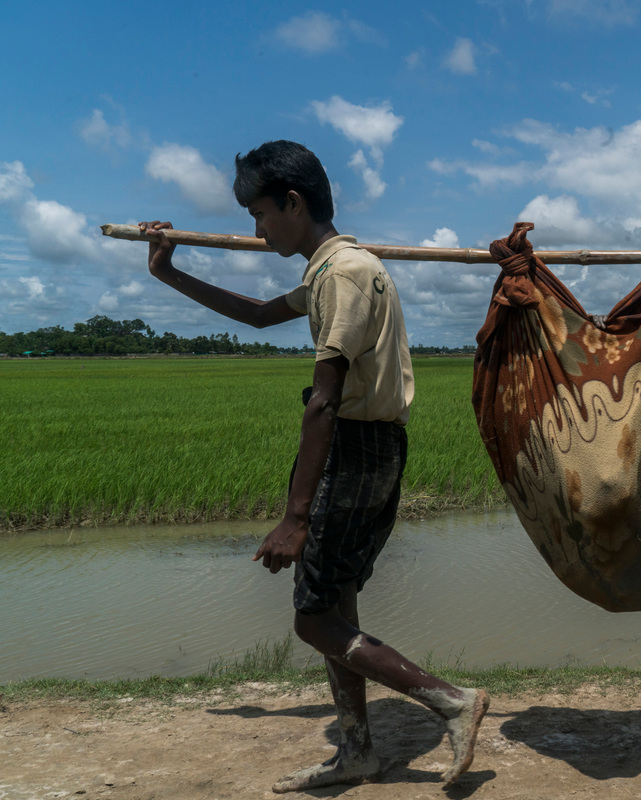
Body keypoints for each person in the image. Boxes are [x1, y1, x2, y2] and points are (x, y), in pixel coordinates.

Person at [138, 140, 488, 792]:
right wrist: (168, 274)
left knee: (313, 620)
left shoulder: (342, 275)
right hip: (378, 446)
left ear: (292, 203)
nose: (255, 229)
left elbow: (324, 400)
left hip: (353, 448)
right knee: (338, 606)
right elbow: (260, 315)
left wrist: (295, 516)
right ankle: (355, 750)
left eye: (260, 213)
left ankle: (451, 702)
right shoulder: (340, 269)